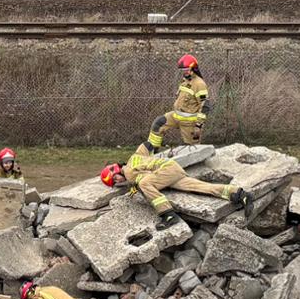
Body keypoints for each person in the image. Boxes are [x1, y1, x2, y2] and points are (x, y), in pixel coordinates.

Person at [99, 147, 246, 230]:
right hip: (171, 170)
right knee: (200, 186)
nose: (118, 182)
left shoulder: (129, 173)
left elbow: (142, 182)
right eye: (115, 183)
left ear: (117, 170)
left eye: (115, 179)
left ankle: (168, 215)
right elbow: (146, 146)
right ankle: (239, 194)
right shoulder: (134, 158)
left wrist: (133, 191)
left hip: (166, 170)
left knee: (144, 185)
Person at [147, 53, 211, 149]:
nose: (184, 72)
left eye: (186, 70)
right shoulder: (185, 81)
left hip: (189, 122)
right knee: (158, 124)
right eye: (183, 70)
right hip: (176, 116)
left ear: (194, 69)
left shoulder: (199, 84)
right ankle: (152, 151)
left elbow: (205, 105)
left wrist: (198, 125)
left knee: (192, 148)